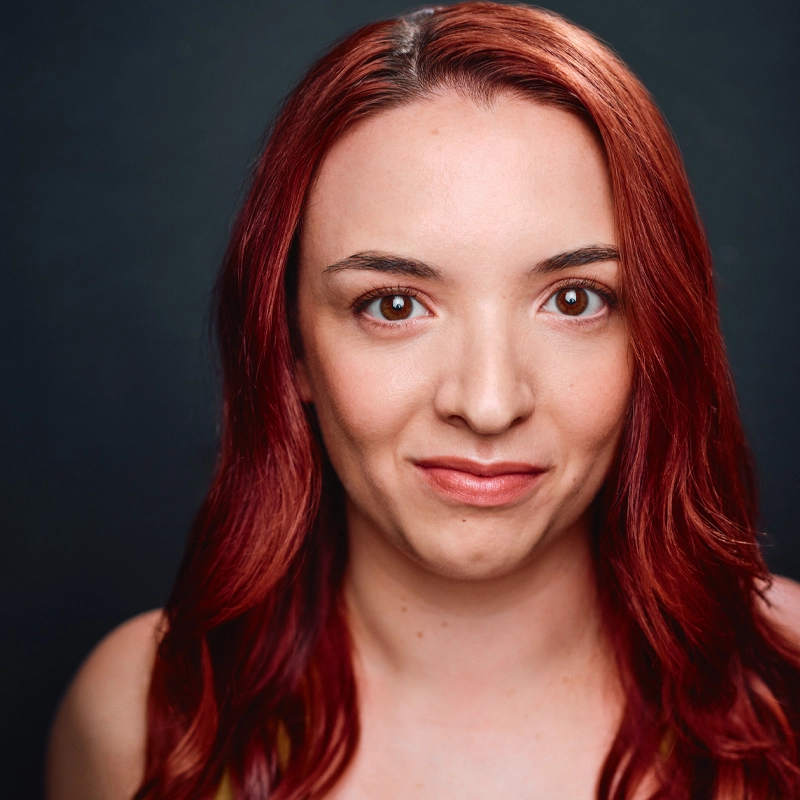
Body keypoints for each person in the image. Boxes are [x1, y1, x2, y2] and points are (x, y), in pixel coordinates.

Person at [46, 3, 800, 799]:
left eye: (575, 300)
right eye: (394, 305)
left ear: (659, 339)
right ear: (290, 347)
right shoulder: (143, 719)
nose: (486, 401)